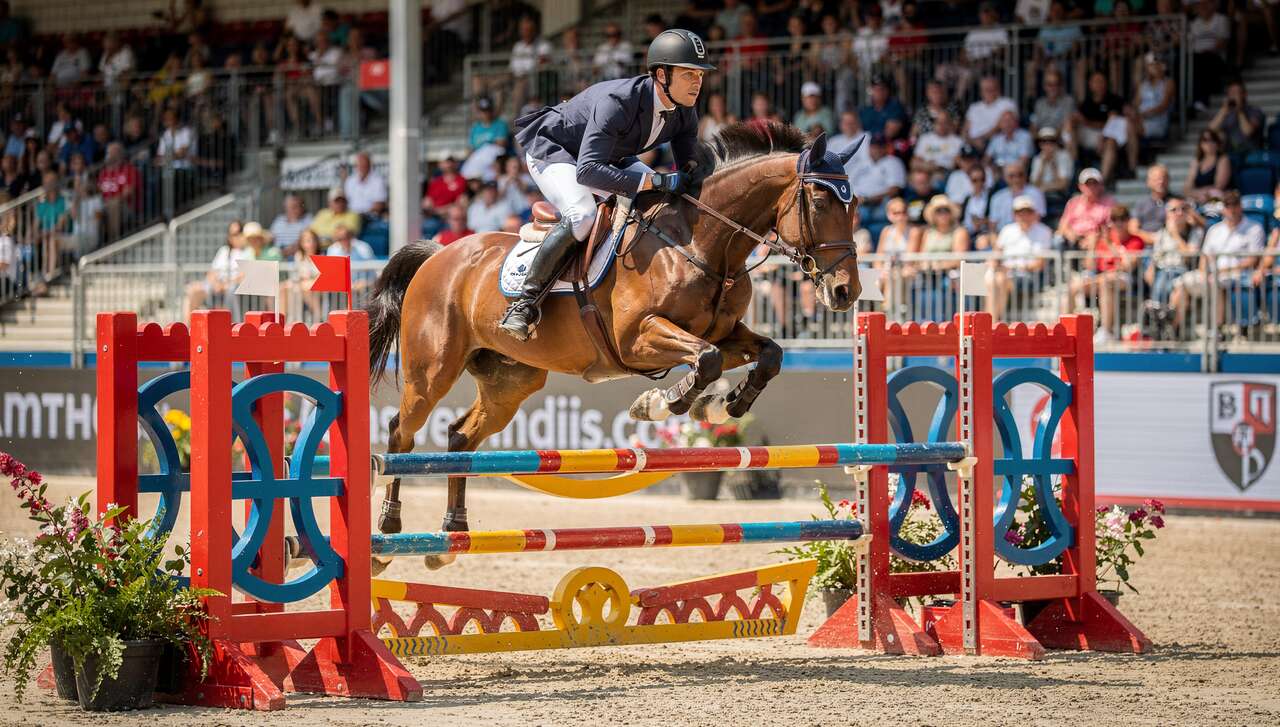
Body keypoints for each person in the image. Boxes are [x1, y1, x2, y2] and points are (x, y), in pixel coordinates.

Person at [505, 28, 715, 340]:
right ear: (662, 75)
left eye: (700, 74)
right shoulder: (618, 102)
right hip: (557, 151)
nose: (697, 82)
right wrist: (655, 179)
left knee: (657, 203)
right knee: (582, 214)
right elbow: (588, 171)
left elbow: (689, 169)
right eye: (688, 74)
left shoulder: (684, 111)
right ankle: (525, 302)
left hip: (611, 156)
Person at [1170, 192, 1265, 329]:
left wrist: (1219, 272)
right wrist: (1203, 272)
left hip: (1238, 276)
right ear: (1223, 208)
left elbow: (1252, 260)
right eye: (1228, 205)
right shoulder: (1215, 230)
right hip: (1211, 275)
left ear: (1240, 207)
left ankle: (1216, 329)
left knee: (1215, 282)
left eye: (1235, 205)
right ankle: (1172, 328)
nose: (1232, 209)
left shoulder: (1254, 228)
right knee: (1182, 283)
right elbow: (1205, 256)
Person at [1068, 205, 1145, 343]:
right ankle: (1067, 330)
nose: (1119, 223)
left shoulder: (1136, 241)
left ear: (1128, 221)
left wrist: (1111, 245)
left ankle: (1106, 331)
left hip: (1124, 278)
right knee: (1073, 286)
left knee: (1105, 282)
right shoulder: (1103, 241)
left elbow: (1127, 266)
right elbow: (1090, 265)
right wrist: (1092, 244)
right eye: (1115, 219)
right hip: (1102, 277)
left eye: (1122, 219)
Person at [988, 196, 1053, 323]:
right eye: (1020, 212)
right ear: (1014, 214)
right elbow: (996, 254)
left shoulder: (1044, 231)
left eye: (1028, 212)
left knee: (997, 280)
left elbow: (1040, 264)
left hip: (1029, 276)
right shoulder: (1007, 230)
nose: (1024, 216)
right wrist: (993, 265)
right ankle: (992, 322)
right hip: (1005, 274)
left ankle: (991, 322)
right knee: (994, 279)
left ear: (1034, 213)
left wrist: (1012, 268)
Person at [183, 220, 248, 319]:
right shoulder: (224, 251)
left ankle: (230, 326)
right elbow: (212, 272)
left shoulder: (247, 252)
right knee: (193, 290)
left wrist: (225, 285)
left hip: (233, 288)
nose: (235, 237)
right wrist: (216, 284)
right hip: (216, 286)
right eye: (232, 234)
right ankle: (189, 329)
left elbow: (243, 276)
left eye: (239, 232)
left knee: (231, 290)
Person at [1145, 197, 1202, 306]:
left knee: (1166, 283)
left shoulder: (1195, 232)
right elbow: (1156, 257)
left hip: (1182, 271)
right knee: (1160, 280)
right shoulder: (1162, 232)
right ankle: (1159, 312)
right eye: (1174, 210)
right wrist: (1150, 269)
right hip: (1163, 271)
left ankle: (1158, 312)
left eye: (1183, 209)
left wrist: (1175, 235)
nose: (1179, 213)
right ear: (1167, 214)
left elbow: (1189, 256)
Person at [1072, 71, 1127, 184]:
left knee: (1110, 142)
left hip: (1108, 136)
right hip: (1089, 135)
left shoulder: (1113, 100)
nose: (1098, 84)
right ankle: (1075, 164)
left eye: (1100, 81)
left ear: (1106, 83)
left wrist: (1100, 135)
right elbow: (1079, 121)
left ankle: (1102, 182)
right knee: (1069, 125)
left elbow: (1111, 123)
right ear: (1090, 84)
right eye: (1095, 81)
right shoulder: (1086, 102)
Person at [851, 134, 906, 224]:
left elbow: (894, 190)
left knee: (867, 215)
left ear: (886, 148)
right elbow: (848, 184)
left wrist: (867, 199)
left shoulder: (893, 162)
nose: (877, 150)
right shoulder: (860, 164)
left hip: (880, 204)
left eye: (880, 147)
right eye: (874, 147)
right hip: (857, 203)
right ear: (869, 148)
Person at [1056, 168, 1114, 250]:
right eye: (1088, 184)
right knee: (1058, 240)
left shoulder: (1109, 203)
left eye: (1095, 183)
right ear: (1080, 186)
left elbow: (1111, 227)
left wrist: (1095, 238)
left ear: (1101, 185)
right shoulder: (1073, 203)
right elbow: (1062, 226)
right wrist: (1071, 235)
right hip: (1074, 241)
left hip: (1096, 240)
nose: (1091, 187)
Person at [1208, 79, 1265, 155]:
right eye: (1230, 93)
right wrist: (1222, 112)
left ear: (1244, 94)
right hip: (1228, 151)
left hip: (1248, 151)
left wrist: (1239, 111)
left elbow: (1248, 132)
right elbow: (1210, 130)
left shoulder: (1255, 111)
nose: (1232, 96)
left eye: (1236, 92)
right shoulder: (1226, 112)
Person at [964, 76, 1017, 152]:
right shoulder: (974, 107)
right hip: (972, 144)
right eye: (986, 89)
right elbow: (966, 129)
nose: (989, 92)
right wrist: (971, 141)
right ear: (981, 91)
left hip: (993, 143)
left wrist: (982, 139)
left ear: (998, 89)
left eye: (992, 89)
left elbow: (1001, 126)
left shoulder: (1007, 103)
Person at [989, 161, 1046, 232]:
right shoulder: (997, 197)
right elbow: (993, 225)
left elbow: (1037, 219)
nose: (1016, 179)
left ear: (1025, 175)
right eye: (1011, 176)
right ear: (1005, 177)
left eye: (1020, 174)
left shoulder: (1035, 193)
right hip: (1003, 236)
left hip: (1029, 234)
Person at [1183, 128, 1233, 205]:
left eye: (1212, 140)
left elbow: (1219, 186)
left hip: (1216, 200)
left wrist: (1199, 193)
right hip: (1199, 198)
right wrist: (1198, 194)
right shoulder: (1196, 161)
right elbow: (1187, 188)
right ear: (1200, 144)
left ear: (1217, 143)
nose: (1209, 143)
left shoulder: (1223, 159)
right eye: (1205, 140)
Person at [913, 113, 963, 181]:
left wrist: (936, 166)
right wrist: (928, 166)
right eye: (939, 122)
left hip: (944, 174)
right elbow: (914, 162)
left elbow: (955, 164)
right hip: (925, 171)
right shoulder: (924, 138)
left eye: (944, 122)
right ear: (934, 124)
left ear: (950, 124)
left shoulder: (957, 141)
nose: (941, 125)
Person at [1130, 165, 1173, 243]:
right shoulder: (1141, 204)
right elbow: (1132, 228)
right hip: (1145, 247)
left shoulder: (1177, 202)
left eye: (1164, 178)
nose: (1161, 181)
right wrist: (1152, 239)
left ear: (1169, 180)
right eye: (1157, 179)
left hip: (1169, 244)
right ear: (1148, 182)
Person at [1030, 127, 1073, 200]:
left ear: (1056, 143)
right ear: (1040, 144)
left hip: (1059, 196)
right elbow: (1033, 184)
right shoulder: (1037, 159)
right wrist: (1042, 165)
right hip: (1040, 196)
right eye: (1044, 141)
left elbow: (1063, 184)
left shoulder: (1064, 156)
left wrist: (1054, 165)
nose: (1048, 144)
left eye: (1051, 141)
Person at [342, 151, 388, 216]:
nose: (362, 166)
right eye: (359, 164)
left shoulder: (378, 181)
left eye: (364, 164)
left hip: (371, 217)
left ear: (369, 164)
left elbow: (379, 204)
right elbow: (345, 201)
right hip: (352, 217)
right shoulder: (350, 181)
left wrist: (363, 215)